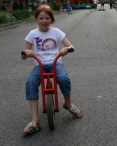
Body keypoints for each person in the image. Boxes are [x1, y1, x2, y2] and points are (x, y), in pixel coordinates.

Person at [21, 4, 82, 134]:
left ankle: (68, 104)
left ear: (52, 20)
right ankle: (35, 120)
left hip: (55, 62)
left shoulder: (56, 32)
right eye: (41, 18)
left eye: (47, 18)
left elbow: (72, 47)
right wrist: (26, 53)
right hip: (40, 64)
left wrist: (66, 49)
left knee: (63, 78)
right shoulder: (32, 33)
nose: (44, 21)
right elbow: (24, 54)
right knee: (31, 82)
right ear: (36, 19)